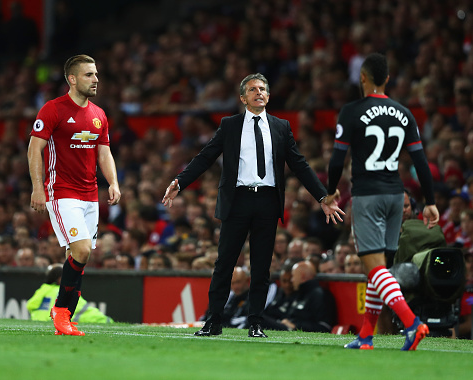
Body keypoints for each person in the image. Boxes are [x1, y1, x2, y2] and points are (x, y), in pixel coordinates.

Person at [163, 73, 344, 338]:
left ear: (268, 96)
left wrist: (322, 196)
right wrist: (180, 181)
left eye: (262, 89)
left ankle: (256, 323)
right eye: (252, 89)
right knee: (224, 263)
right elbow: (205, 157)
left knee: (261, 267)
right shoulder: (230, 125)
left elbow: (299, 165)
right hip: (237, 200)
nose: (258, 92)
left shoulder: (281, 126)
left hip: (267, 201)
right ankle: (213, 321)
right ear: (242, 97)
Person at [327, 53, 440, 351]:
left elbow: (338, 158)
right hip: (395, 194)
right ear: (387, 79)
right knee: (380, 269)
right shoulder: (404, 112)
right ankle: (366, 335)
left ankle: (412, 323)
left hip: (368, 194)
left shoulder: (351, 111)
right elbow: (421, 161)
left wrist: (330, 190)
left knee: (375, 268)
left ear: (362, 78)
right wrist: (429, 200)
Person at [28, 54, 120, 336]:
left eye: (96, 74)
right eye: (89, 75)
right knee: (80, 250)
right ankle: (61, 311)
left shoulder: (99, 114)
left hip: (90, 193)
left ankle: (64, 318)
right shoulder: (53, 109)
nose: (96, 80)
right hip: (62, 192)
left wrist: (113, 182)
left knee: (80, 255)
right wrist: (37, 187)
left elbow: (103, 152)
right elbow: (34, 149)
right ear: (72, 79)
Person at [26, 264, 113, 326]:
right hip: (59, 324)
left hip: (40, 323)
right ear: (60, 279)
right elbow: (84, 309)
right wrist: (109, 321)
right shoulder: (64, 291)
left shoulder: (43, 289)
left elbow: (30, 305)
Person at [263, 261, 336, 332]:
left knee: (259, 317)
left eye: (293, 276)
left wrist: (296, 326)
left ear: (302, 276)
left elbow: (325, 327)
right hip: (286, 327)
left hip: (294, 330)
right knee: (258, 316)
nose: (292, 280)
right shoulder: (299, 293)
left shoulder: (320, 295)